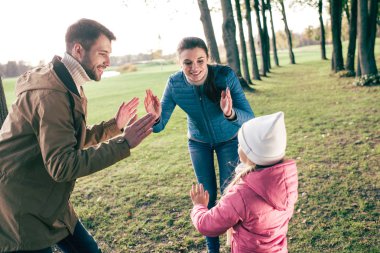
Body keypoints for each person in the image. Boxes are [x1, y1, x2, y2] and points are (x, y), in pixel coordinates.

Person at [0, 18, 156, 252]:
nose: (108, 61)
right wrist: (124, 143)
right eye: (102, 53)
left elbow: (68, 140)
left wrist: (116, 126)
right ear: (78, 49)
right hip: (22, 205)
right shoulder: (52, 95)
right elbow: (62, 165)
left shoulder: (65, 82)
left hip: (51, 200)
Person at [144, 37, 254, 252]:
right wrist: (154, 117)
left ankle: (237, 246)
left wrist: (230, 113)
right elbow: (159, 126)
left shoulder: (225, 76)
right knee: (207, 197)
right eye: (187, 63)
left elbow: (249, 117)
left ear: (208, 59)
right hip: (198, 143)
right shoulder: (175, 84)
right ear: (180, 63)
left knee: (230, 194)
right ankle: (213, 250)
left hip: (229, 140)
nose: (194, 68)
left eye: (200, 61)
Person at [190, 112, 299, 253]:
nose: (238, 147)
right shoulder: (287, 181)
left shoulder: (241, 195)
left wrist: (199, 206)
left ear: (251, 153)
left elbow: (207, 225)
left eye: (241, 144)